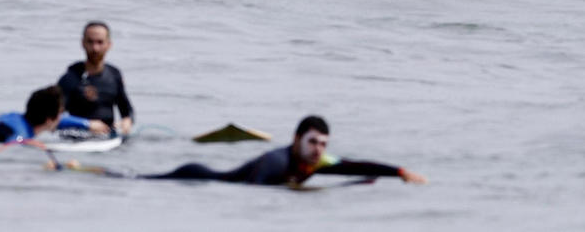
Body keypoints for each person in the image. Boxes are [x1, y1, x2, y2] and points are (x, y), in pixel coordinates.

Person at [149, 116, 426, 186]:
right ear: (297, 140)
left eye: (323, 144)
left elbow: (358, 166)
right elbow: (251, 189)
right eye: (313, 142)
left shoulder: (317, 161)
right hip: (196, 178)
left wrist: (401, 172)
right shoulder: (276, 161)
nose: (318, 149)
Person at [57, 22, 134, 137]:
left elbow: (127, 110)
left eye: (100, 42)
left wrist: (127, 121)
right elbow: (52, 118)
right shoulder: (70, 79)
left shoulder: (114, 75)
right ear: (83, 43)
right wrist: (87, 124)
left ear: (109, 44)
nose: (95, 48)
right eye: (90, 42)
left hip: (108, 139)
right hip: (76, 139)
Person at [0, 85, 93, 144]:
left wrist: (88, 124)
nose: (61, 118)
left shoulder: (15, 116)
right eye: (60, 113)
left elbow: (56, 119)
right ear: (50, 119)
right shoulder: (21, 136)